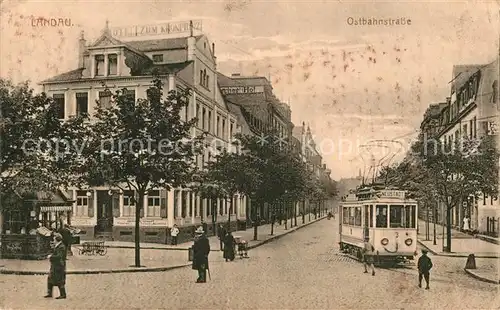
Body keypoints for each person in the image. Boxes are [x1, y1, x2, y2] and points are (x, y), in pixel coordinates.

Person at [44, 233, 67, 299]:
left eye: (54, 239)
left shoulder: (61, 246)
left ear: (57, 239)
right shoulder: (58, 245)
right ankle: (49, 293)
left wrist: (51, 256)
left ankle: (63, 294)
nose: (53, 240)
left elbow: (59, 256)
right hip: (55, 265)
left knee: (59, 280)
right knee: (50, 278)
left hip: (59, 266)